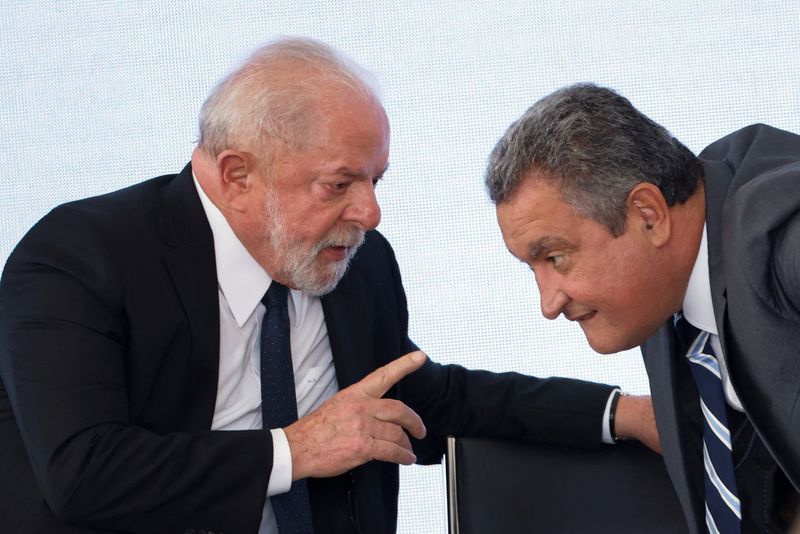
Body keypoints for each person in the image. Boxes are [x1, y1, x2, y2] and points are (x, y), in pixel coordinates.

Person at [0, 41, 656, 534]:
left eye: (378, 180)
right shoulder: (80, 257)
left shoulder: (356, 264)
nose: (369, 214)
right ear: (236, 177)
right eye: (339, 185)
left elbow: (428, 403)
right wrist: (297, 449)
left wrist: (622, 413)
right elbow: (83, 471)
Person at [486, 82, 800, 533]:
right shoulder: (661, 294)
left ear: (648, 215)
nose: (548, 303)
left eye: (555, 257)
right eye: (531, 268)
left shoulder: (781, 234)